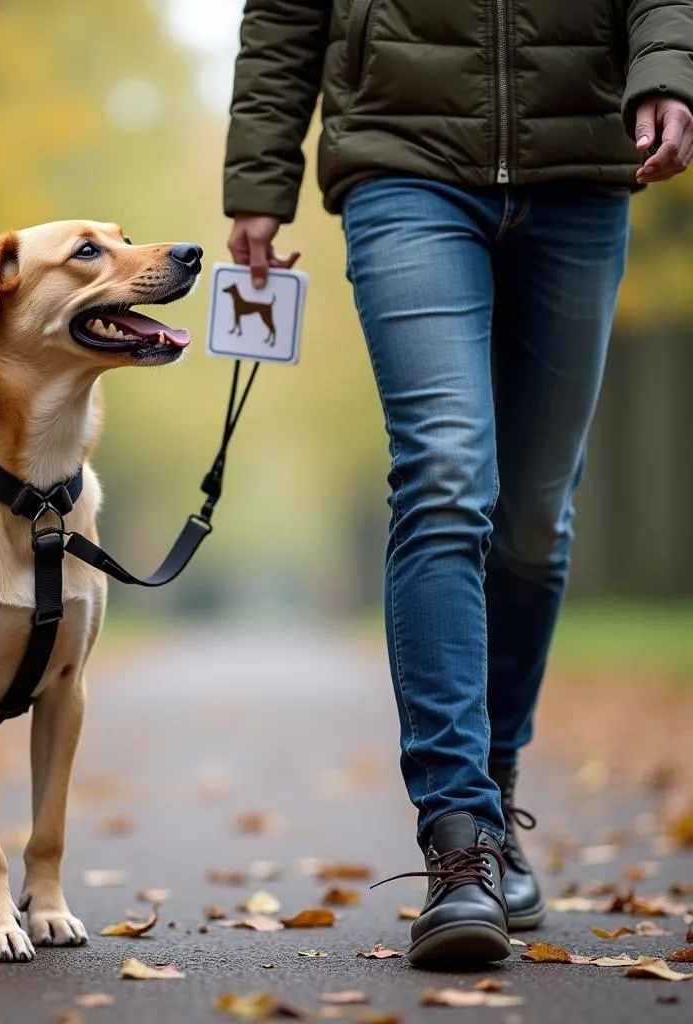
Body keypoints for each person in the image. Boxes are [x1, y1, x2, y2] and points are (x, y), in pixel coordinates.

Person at [224, 0, 693, 966]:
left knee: (532, 517)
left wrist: (668, 68)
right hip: (402, 161)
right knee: (443, 474)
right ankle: (461, 838)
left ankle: (495, 770)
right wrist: (259, 175)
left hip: (582, 160)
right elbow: (282, 13)